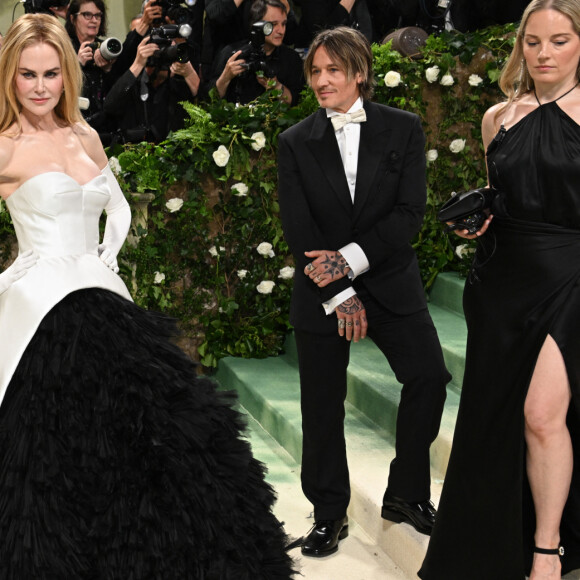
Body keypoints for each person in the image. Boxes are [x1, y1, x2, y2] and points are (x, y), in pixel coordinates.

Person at [0, 13, 295, 579]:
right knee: (56, 461)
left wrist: (104, 254)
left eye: (51, 73)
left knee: (171, 439)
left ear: (67, 75)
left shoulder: (85, 134)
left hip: (105, 298)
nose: (40, 87)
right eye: (27, 75)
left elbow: (115, 204)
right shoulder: (8, 148)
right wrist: (29, 260)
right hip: (44, 314)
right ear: (10, 77)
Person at [419, 1, 580, 578]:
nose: (544, 54)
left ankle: (546, 549)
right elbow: (501, 194)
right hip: (502, 279)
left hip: (570, 276)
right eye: (533, 42)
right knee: (501, 418)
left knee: (542, 415)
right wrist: (481, 215)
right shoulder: (498, 117)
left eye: (559, 41)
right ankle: (500, 542)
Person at [277, 25, 451, 558]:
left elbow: (409, 213)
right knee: (322, 404)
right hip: (323, 292)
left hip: (390, 279)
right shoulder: (294, 141)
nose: (322, 81)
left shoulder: (403, 128)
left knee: (428, 376)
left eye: (333, 70)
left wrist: (350, 262)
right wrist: (337, 293)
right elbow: (299, 228)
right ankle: (329, 512)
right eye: (315, 71)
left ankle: (406, 494)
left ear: (359, 73)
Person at [102, 33, 200, 143]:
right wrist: (138, 64)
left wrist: (190, 74)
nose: (166, 58)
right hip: (138, 154)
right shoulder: (132, 85)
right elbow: (109, 107)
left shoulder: (180, 86)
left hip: (175, 155)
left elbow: (207, 110)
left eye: (170, 51)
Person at [205, 0, 304, 105]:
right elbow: (209, 101)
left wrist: (276, 86)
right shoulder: (233, 55)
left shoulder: (291, 59)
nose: (281, 31)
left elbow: (297, 102)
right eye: (273, 24)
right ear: (257, 25)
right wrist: (225, 78)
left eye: (284, 24)